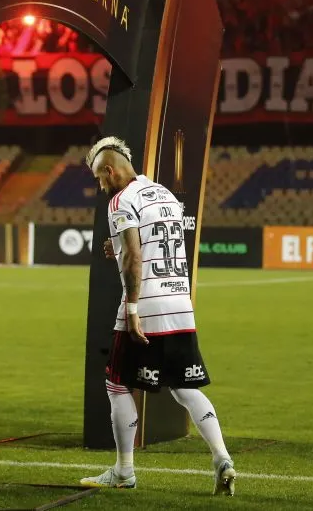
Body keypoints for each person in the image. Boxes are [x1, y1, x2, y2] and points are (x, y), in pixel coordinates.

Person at [81, 136, 236, 495]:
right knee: (184, 387)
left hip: (146, 304)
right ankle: (222, 459)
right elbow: (156, 243)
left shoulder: (121, 200)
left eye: (99, 178)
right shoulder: (164, 193)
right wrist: (118, 246)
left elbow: (135, 257)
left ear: (109, 171)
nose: (100, 187)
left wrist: (132, 309)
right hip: (179, 304)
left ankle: (124, 471)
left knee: (117, 383)